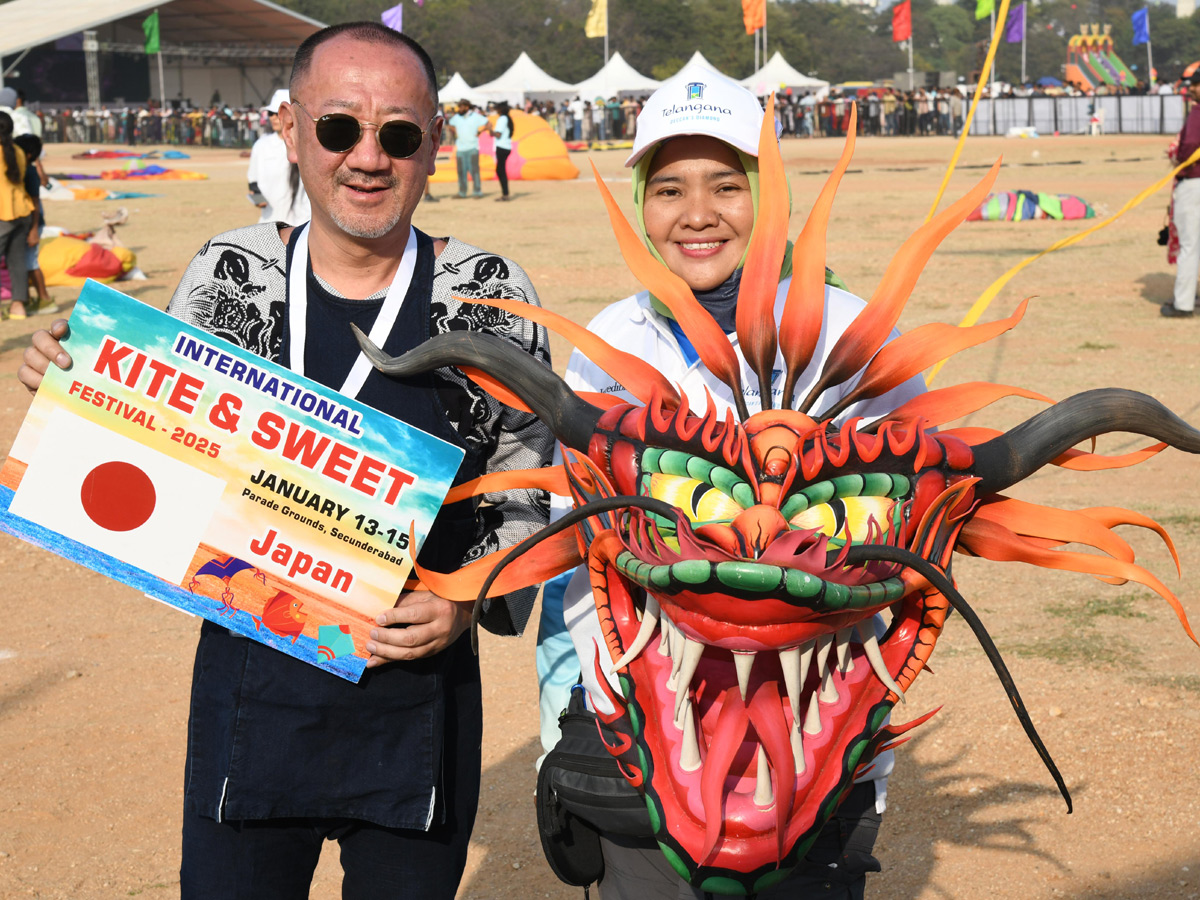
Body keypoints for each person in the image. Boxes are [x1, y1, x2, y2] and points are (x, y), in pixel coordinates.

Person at [19, 23, 553, 898]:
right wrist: (74, 384)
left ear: (435, 147)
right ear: (291, 130)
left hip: (416, 709)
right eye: (340, 128)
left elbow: (531, 490)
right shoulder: (232, 274)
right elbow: (144, 451)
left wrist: (464, 605)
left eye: (400, 134)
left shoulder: (488, 296)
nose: (368, 158)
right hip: (251, 704)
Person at [535, 63, 926, 899]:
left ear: (769, 192)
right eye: (668, 187)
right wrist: (564, 718)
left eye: (728, 184)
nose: (698, 214)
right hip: (651, 735)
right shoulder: (616, 338)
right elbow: (579, 548)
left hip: (811, 735)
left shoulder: (854, 338)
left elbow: (915, 535)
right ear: (641, 201)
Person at [246, 88, 311, 227]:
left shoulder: (308, 145)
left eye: (277, 113)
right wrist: (258, 198)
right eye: (270, 113)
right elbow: (253, 182)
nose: (274, 118)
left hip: (302, 224)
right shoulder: (261, 145)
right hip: (269, 223)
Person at [1165, 72, 1200, 318]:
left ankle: (1183, 304)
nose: (1192, 90)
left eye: (1195, 85)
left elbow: (1189, 146)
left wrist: (1178, 161)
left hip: (1194, 182)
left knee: (1190, 246)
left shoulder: (1197, 113)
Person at [12, 133, 54, 314]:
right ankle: (28, 300)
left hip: (33, 223)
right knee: (23, 262)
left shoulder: (29, 172)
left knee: (30, 263)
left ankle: (45, 300)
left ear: (27, 154)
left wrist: (34, 230)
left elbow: (35, 203)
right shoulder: (25, 169)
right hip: (26, 223)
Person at [0, 111, 35, 320]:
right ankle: (18, 307)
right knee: (17, 262)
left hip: (3, 214)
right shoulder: (19, 152)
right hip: (22, 211)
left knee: (16, 261)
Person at [446, 98, 488, 198]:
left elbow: (488, 123)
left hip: (473, 148)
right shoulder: (456, 117)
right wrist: (455, 131)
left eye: (461, 107)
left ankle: (477, 192)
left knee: (474, 171)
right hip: (460, 149)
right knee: (461, 172)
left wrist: (480, 132)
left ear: (467, 107)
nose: (459, 109)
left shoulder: (476, 116)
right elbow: (449, 125)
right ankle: (462, 192)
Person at [492, 100, 514, 202]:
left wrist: (490, 130)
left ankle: (505, 194)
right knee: (501, 170)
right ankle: (505, 194)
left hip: (502, 147)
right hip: (506, 147)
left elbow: (498, 134)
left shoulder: (502, 119)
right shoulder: (507, 118)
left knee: (500, 171)